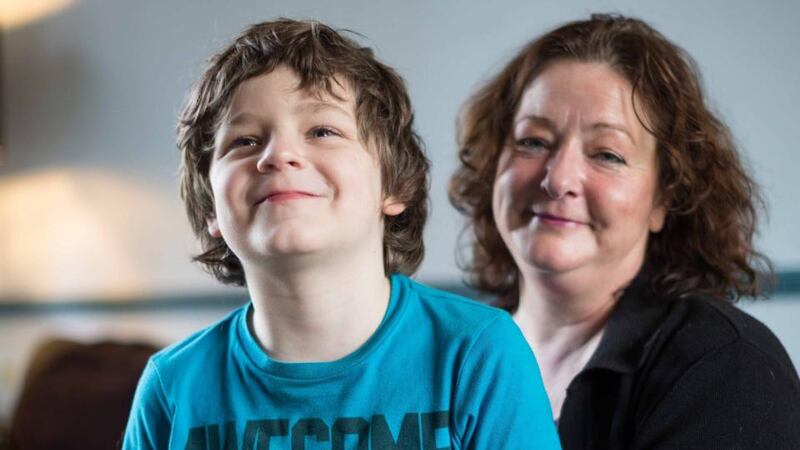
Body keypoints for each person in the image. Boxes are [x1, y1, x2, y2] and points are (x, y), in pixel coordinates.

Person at [123, 19, 560, 449]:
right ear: (210, 210)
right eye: (244, 141)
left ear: (393, 185)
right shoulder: (171, 388)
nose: (279, 155)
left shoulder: (477, 354)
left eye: (322, 131)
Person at [449, 13, 800, 449]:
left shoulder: (726, 367)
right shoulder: (448, 353)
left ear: (664, 198)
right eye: (533, 141)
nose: (558, 179)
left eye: (607, 154)